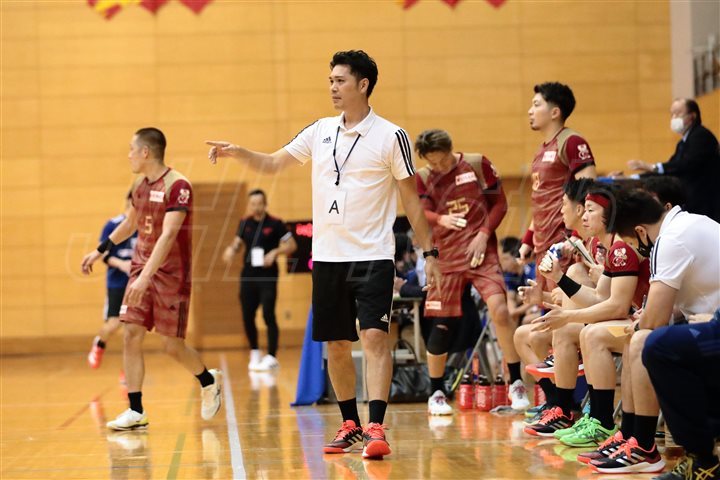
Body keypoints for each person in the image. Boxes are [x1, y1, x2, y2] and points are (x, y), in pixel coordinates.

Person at [206, 50, 441, 460]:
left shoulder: (391, 136)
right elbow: (273, 164)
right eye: (330, 80)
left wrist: (430, 253)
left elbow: (411, 199)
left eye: (340, 80)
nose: (332, 87)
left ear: (363, 85)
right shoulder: (319, 131)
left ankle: (376, 426)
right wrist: (238, 152)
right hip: (329, 257)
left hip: (373, 255)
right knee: (336, 343)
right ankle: (349, 423)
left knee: (374, 337)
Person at [81, 127, 222, 430]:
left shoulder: (178, 185)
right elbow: (130, 224)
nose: (129, 155)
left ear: (145, 152)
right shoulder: (138, 185)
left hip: (171, 276)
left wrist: (146, 277)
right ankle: (136, 410)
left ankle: (208, 381)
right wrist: (100, 250)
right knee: (131, 333)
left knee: (171, 346)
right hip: (140, 269)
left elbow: (168, 235)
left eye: (132, 149)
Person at [605, 188, 720, 479]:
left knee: (646, 341)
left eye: (632, 244)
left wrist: (643, 321)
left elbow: (654, 321)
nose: (636, 251)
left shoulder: (669, 240)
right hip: (709, 323)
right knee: (642, 337)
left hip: (714, 328)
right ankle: (633, 436)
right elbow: (683, 302)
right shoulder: (693, 222)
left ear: (640, 231)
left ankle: (646, 445)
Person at [412, 128, 529, 415]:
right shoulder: (423, 177)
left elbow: (500, 203)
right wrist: (440, 218)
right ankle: (436, 391)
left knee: (500, 310)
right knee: (440, 326)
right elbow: (419, 211)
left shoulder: (477, 164)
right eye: (432, 163)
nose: (439, 167)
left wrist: (484, 233)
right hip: (445, 257)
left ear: (451, 149)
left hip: (481, 253)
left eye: (442, 160)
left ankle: (516, 383)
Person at [520, 82, 597, 292]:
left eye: (536, 104)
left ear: (555, 112)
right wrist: (528, 240)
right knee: (545, 304)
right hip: (542, 244)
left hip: (564, 243)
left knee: (565, 304)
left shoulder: (572, 142)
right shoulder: (540, 151)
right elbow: (540, 200)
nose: (530, 111)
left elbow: (589, 191)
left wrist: (576, 238)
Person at [223, 189, 297, 371]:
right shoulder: (244, 223)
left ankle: (271, 356)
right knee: (247, 315)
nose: (256, 207)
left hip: (268, 275)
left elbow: (292, 245)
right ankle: (255, 352)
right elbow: (237, 243)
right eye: (253, 204)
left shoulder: (276, 223)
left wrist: (275, 252)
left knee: (268, 313)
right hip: (248, 275)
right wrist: (231, 250)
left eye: (259, 204)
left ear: (265, 204)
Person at [627, 98, 720, 222]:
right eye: (672, 114)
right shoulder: (682, 143)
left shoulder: (701, 136)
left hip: (706, 204)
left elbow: (685, 165)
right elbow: (669, 170)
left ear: (692, 116)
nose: (674, 118)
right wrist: (633, 178)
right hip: (694, 202)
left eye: (678, 113)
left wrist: (652, 167)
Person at [88, 192, 138, 369]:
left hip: (136, 284)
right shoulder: (112, 225)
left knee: (133, 329)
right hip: (117, 282)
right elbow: (104, 255)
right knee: (114, 323)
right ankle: (99, 343)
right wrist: (122, 264)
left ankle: (128, 371)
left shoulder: (144, 226)